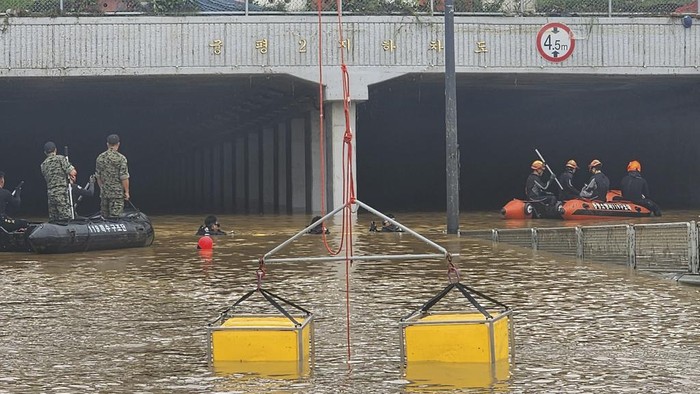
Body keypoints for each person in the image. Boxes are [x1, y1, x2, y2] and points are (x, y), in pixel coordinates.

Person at [40, 141, 77, 222]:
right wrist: (70, 175)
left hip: (50, 193)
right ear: (55, 150)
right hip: (61, 192)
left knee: (54, 219)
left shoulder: (43, 165)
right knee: (65, 218)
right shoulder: (60, 159)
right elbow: (73, 172)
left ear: (45, 152)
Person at [95, 134, 130, 218]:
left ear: (107, 144)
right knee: (115, 219)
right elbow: (124, 177)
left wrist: (102, 188)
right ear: (118, 144)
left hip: (104, 193)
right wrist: (126, 192)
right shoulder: (121, 158)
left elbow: (98, 176)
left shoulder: (100, 158)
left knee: (104, 219)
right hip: (117, 194)